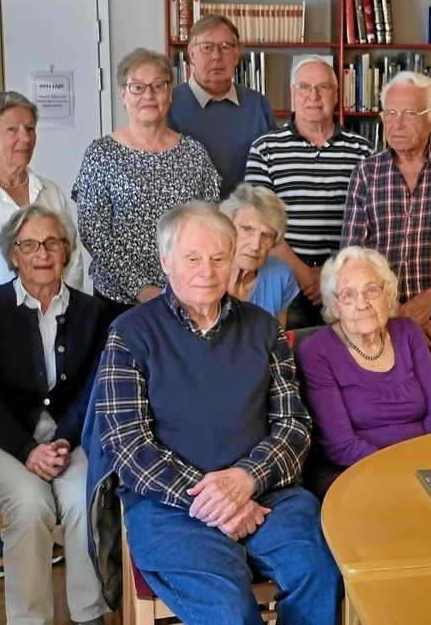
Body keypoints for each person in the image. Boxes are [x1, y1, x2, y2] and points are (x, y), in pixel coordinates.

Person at [92, 202, 340, 624]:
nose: (207, 271)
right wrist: (218, 501)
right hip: (171, 505)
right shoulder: (130, 333)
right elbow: (127, 446)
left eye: (218, 258)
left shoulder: (263, 328)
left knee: (321, 575)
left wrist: (246, 480)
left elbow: (293, 426)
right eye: (193, 258)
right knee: (229, 610)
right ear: (166, 261)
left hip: (268, 495)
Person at [0, 205, 110, 625]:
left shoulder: (94, 313)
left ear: (67, 251)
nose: (42, 253)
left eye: (52, 243)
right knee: (30, 502)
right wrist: (28, 451)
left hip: (69, 439)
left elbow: (94, 390)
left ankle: (89, 616)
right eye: (29, 245)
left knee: (84, 496)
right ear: (13, 254)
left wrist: (63, 439)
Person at [341, 71, 431, 427]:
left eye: (409, 113)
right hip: (383, 327)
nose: (397, 123)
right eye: (390, 113)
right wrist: (398, 315)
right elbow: (352, 256)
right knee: (392, 426)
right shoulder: (366, 174)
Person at [73, 48, 220, 319]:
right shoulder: (101, 154)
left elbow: (210, 225)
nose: (148, 95)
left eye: (158, 86)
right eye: (137, 87)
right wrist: (141, 288)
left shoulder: (194, 153)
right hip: (118, 302)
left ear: (170, 93)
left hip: (184, 297)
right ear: (123, 94)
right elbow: (94, 231)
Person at [297, 246, 431, 497]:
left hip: (426, 461)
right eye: (348, 295)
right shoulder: (316, 351)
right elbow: (339, 444)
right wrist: (400, 472)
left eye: (371, 290)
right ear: (335, 306)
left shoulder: (408, 332)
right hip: (355, 469)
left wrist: (428, 463)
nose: (362, 304)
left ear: (388, 295)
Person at [245, 55, 374, 328]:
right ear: (292, 94)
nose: (313, 96)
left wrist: (329, 273)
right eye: (304, 87)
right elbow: (260, 223)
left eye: (323, 87)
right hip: (284, 280)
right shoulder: (265, 148)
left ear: (336, 94)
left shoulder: (363, 151)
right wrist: (304, 274)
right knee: (287, 350)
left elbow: (371, 222)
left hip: (345, 281)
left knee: (345, 351)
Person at [0, 90, 84, 338]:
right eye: (12, 129)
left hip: (56, 328)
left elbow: (72, 259)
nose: (25, 137)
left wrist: (61, 313)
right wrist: (11, 322)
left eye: (30, 128)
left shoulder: (50, 191)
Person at [167, 14, 274, 197]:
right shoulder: (168, 104)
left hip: (246, 211)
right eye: (206, 47)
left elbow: (272, 168)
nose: (216, 56)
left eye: (225, 47)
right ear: (191, 54)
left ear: (237, 54)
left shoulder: (258, 105)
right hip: (189, 212)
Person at [219, 183, 299, 327]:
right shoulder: (204, 273)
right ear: (227, 228)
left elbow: (278, 337)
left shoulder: (280, 276)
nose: (255, 245)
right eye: (247, 229)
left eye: (266, 235)